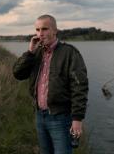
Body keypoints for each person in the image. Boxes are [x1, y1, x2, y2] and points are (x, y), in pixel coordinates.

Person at [13, 14, 89, 154]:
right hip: (40, 117)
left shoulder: (69, 53)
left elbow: (80, 87)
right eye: (37, 30)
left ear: (55, 30)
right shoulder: (36, 53)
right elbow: (18, 74)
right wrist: (30, 52)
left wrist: (77, 119)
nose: (40, 34)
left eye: (44, 29)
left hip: (61, 118)